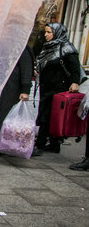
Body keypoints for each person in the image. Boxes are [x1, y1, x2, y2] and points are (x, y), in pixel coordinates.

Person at [0, 45, 34, 163]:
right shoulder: (4, 46)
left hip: (10, 89)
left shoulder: (22, 48)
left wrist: (25, 90)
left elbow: (26, 69)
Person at [35, 23, 81, 153]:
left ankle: (42, 143)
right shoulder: (48, 47)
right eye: (46, 32)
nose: (46, 35)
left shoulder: (66, 48)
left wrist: (75, 82)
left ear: (57, 33)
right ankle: (53, 144)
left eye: (49, 32)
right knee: (46, 113)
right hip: (47, 86)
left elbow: (74, 67)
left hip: (59, 87)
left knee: (49, 115)